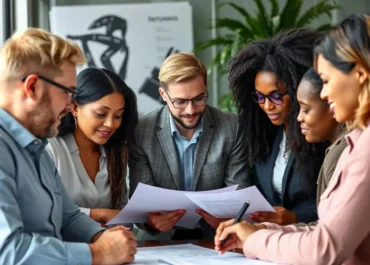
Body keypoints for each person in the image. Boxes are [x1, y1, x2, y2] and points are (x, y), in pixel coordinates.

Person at [215, 13, 370, 265]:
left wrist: (257, 239)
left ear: (360, 74)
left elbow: (325, 248)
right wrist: (259, 232)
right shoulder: (358, 139)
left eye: (327, 80)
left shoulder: (362, 146)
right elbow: (325, 234)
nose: (325, 92)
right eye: (260, 97)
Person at [0, 28, 137, 265]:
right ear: (32, 87)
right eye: (66, 93)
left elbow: (68, 215)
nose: (70, 105)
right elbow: (9, 251)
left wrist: (105, 237)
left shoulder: (36, 147)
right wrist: (98, 253)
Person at [128, 52, 250, 240]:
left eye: (199, 98)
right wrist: (150, 221)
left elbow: (238, 193)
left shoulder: (231, 127)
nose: (191, 110)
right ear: (163, 94)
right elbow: (141, 202)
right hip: (159, 241)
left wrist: (230, 218)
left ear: (206, 87)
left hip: (218, 237)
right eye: (180, 102)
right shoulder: (142, 131)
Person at [229, 28, 327, 225]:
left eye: (275, 95)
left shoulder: (321, 135)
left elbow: (340, 204)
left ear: (297, 88)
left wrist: (295, 218)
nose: (267, 105)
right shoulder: (265, 135)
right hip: (270, 243)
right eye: (259, 96)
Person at [45, 67, 138, 225]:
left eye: (118, 115)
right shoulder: (50, 148)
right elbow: (45, 209)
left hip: (109, 247)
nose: (110, 124)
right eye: (101, 114)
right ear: (74, 108)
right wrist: (100, 215)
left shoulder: (115, 151)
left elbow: (122, 215)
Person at [297, 67, 347, 217]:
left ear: (332, 105)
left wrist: (264, 235)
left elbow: (333, 234)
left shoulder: (340, 153)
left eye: (306, 110)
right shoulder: (335, 148)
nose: (299, 117)